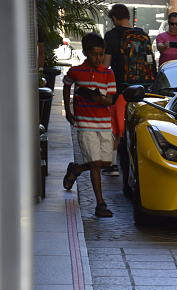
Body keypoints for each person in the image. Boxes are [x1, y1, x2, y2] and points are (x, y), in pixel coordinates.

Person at [62, 33, 117, 217]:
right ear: (86, 52)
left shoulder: (108, 73)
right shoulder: (76, 71)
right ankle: (100, 204)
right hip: (85, 123)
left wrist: (98, 98)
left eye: (101, 54)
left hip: (104, 123)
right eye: (94, 54)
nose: (99, 58)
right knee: (95, 163)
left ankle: (77, 169)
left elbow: (110, 100)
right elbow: (67, 84)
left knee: (105, 162)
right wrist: (69, 111)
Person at [104, 3, 156, 177]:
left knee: (116, 128)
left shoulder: (111, 36)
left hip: (120, 88)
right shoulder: (142, 35)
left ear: (114, 18)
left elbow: (106, 65)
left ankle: (112, 164)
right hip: (141, 89)